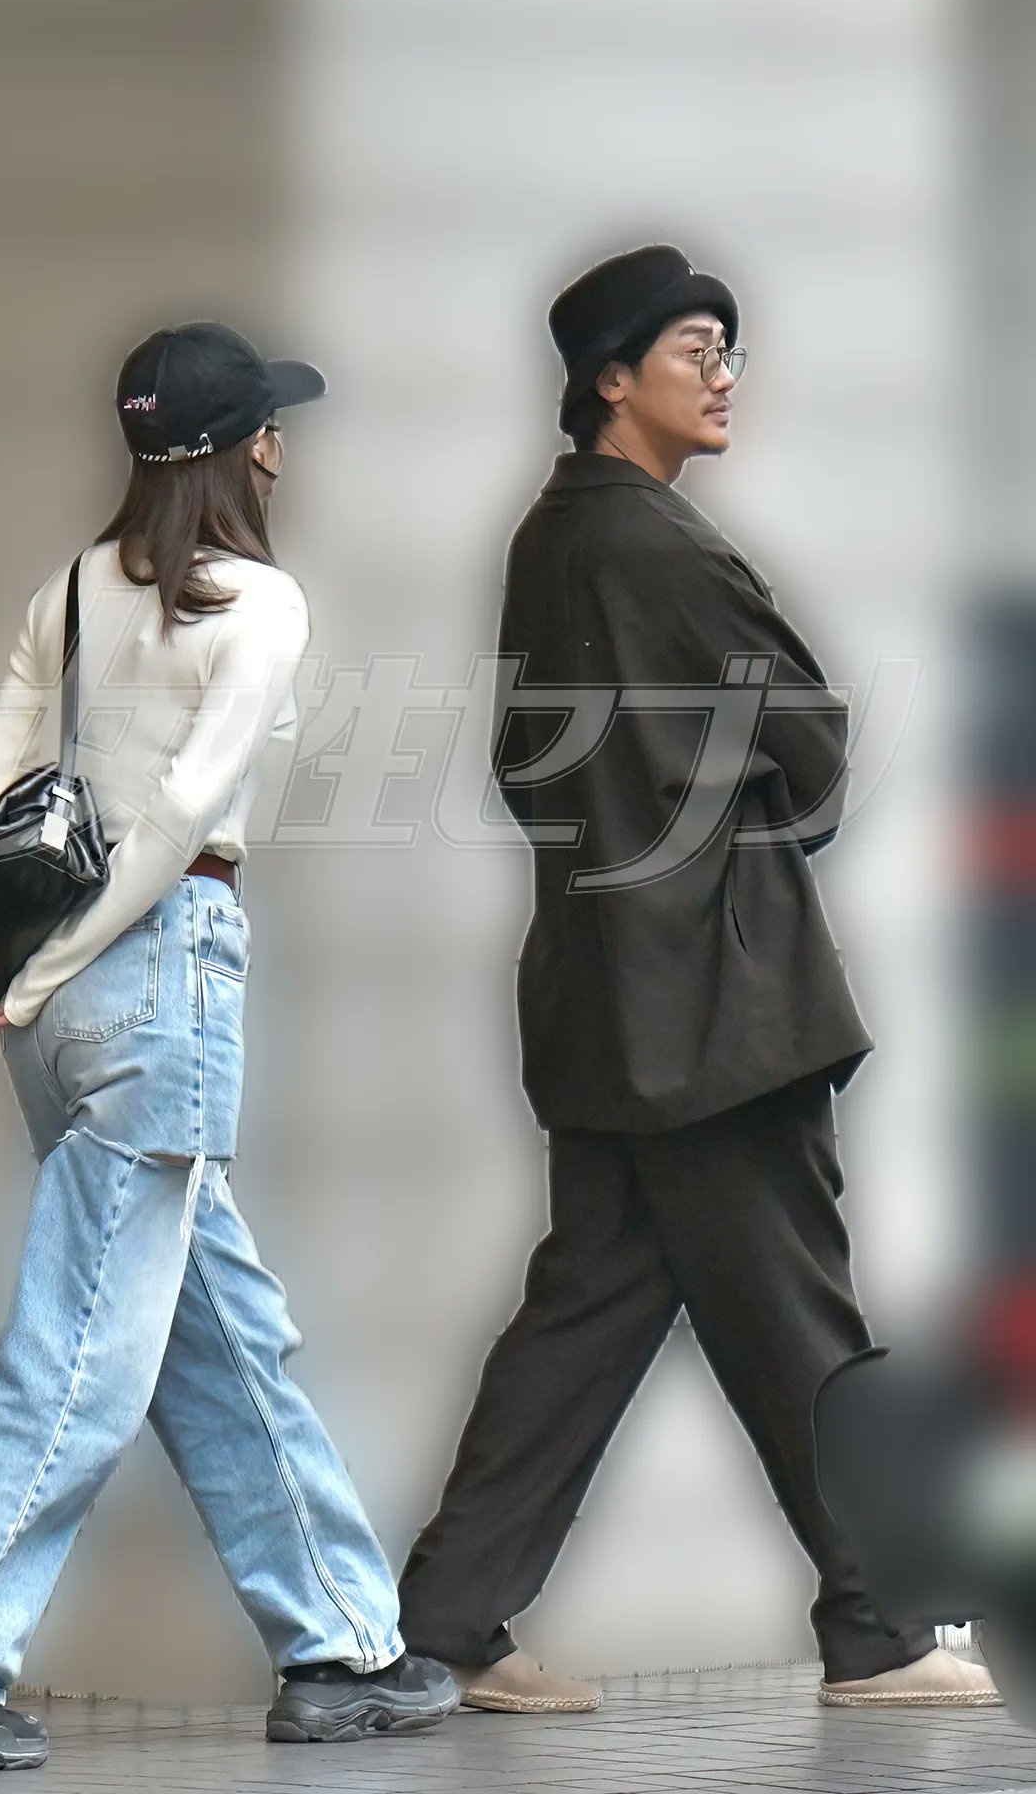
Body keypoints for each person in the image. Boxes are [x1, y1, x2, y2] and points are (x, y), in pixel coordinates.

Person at [0, 321, 457, 1769]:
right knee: (79, 1349)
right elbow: (177, 820)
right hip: (156, 970)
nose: (284, 446)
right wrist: (41, 972)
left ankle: (342, 1645)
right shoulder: (264, 605)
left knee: (218, 1330)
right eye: (273, 427)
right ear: (247, 450)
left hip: (53, 1008)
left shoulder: (68, 590)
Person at [396, 246, 1000, 1713]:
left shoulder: (548, 540)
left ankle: (448, 1620)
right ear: (611, 379)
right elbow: (817, 748)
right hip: (720, 1013)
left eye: (729, 347)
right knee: (801, 1315)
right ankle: (880, 1630)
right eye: (692, 348)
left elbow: (525, 773)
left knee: (585, 1318)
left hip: (604, 1003)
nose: (724, 373)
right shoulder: (670, 547)